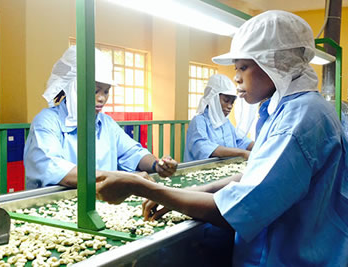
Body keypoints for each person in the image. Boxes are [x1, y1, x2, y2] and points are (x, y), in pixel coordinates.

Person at [95, 10, 348, 266]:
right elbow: (256, 175)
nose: (236, 77)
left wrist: (142, 187)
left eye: (243, 67)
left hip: (289, 257)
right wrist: (192, 190)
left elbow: (235, 211)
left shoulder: (296, 121)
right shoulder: (296, 110)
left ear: (276, 63)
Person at [24, 46, 178, 189]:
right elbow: (53, 168)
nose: (102, 98)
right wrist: (121, 178)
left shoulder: (106, 123)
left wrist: (157, 165)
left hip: (100, 201)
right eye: (95, 91)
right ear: (73, 89)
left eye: (106, 91)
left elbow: (132, 152)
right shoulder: (47, 122)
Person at [184, 74, 254, 162]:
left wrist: (261, 146)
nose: (230, 106)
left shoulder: (225, 123)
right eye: (226, 101)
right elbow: (203, 148)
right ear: (213, 99)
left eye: (232, 103)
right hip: (200, 172)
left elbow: (241, 141)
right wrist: (242, 153)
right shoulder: (199, 121)